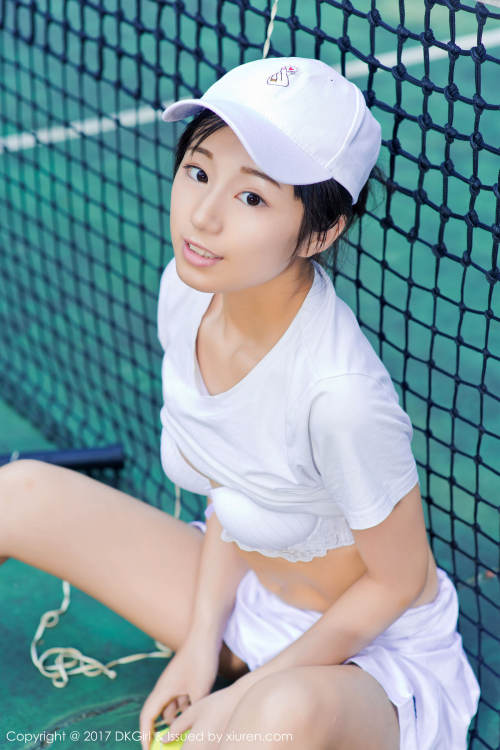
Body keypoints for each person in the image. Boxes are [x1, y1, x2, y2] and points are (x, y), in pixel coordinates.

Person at [0, 57, 479, 750]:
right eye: (199, 172)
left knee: (279, 715)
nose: (203, 215)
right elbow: (233, 487)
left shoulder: (340, 398)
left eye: (252, 197)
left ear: (320, 233)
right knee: (17, 494)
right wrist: (200, 643)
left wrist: (247, 695)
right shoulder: (186, 292)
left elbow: (398, 581)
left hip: (364, 658)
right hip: (247, 597)